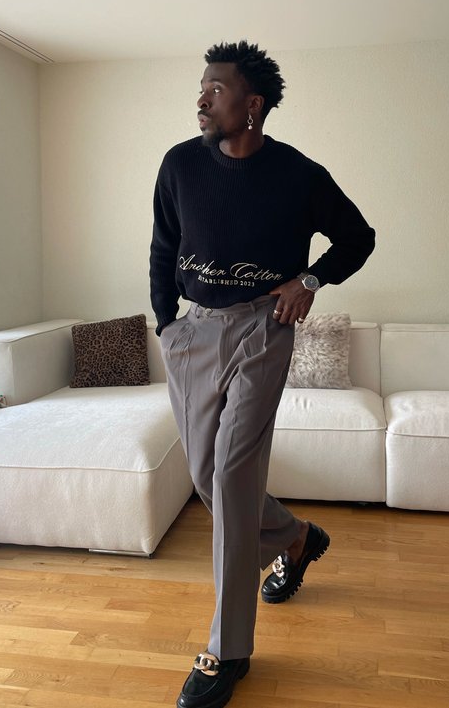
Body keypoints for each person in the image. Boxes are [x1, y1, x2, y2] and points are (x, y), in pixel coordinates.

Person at [150, 40, 375, 708]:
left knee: (232, 474)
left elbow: (357, 237)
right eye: (200, 87)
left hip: (261, 330)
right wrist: (166, 325)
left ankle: (227, 650)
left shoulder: (299, 175)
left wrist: (310, 278)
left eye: (213, 90)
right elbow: (163, 246)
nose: (200, 99)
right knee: (204, 478)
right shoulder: (179, 165)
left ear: (251, 106)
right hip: (192, 331)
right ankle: (296, 537)